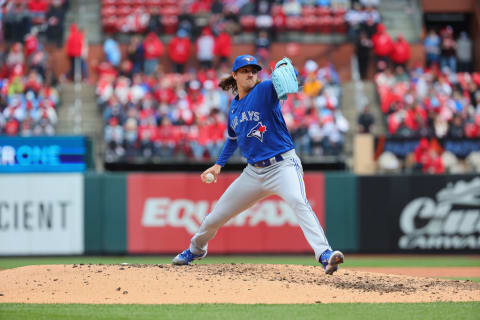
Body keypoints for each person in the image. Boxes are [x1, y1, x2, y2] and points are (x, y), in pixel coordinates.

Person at [172, 55, 344, 275]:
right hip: (254, 172)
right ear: (234, 75)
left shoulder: (264, 90)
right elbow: (232, 139)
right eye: (245, 70)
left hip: (283, 165)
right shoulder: (234, 107)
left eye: (254, 70)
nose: (250, 73)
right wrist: (218, 165)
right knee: (216, 216)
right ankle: (195, 250)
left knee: (298, 202)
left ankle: (325, 255)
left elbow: (289, 83)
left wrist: (293, 74)